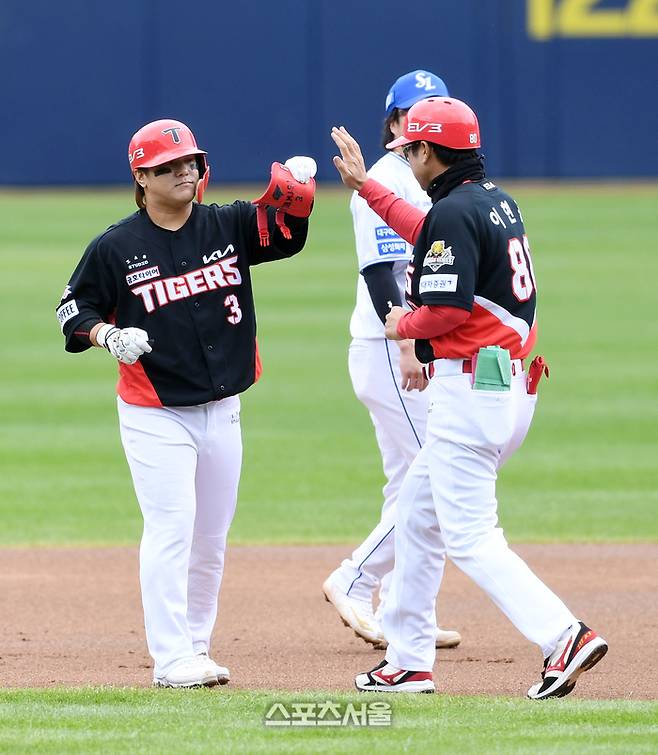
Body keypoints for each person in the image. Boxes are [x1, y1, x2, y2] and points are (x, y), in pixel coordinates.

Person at [331, 98, 608, 698]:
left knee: (473, 537)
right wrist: (367, 189)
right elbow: (427, 230)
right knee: (416, 518)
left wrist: (399, 326)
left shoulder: (454, 213)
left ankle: (564, 635)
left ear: (431, 153)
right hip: (505, 381)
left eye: (411, 152)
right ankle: (407, 660)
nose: (407, 161)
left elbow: (444, 311)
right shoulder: (493, 201)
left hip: (470, 388)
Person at [56, 119, 316, 688]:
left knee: (211, 537)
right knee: (172, 528)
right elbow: (70, 309)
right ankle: (171, 657)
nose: (183, 172)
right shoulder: (116, 245)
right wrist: (106, 336)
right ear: (141, 177)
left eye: (190, 163)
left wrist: (298, 192)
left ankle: (196, 646)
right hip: (156, 412)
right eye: (168, 166)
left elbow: (287, 234)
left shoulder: (227, 223)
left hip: (224, 408)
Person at [322, 71, 461, 651]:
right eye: (410, 112)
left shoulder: (431, 177)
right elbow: (382, 271)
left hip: (403, 344)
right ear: (394, 121)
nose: (418, 120)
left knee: (410, 482)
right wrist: (408, 343)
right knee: (438, 477)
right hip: (390, 348)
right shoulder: (386, 179)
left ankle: (405, 617)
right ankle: (354, 580)